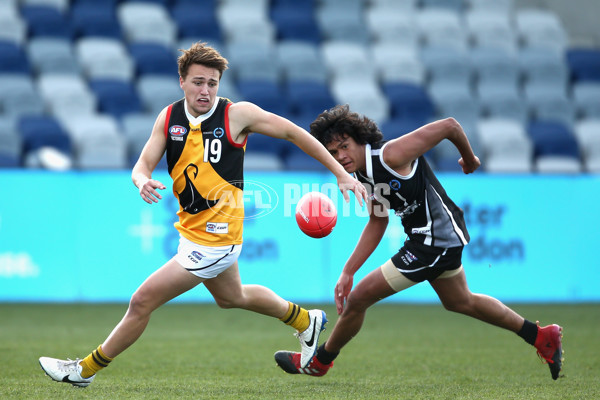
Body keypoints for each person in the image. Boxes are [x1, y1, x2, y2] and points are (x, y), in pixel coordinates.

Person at [38, 43, 367, 388]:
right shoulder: (168, 118)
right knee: (232, 297)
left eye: (212, 83)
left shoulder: (237, 115)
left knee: (141, 301)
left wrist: (340, 173)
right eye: (198, 82)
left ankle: (83, 371)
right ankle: (306, 321)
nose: (205, 91)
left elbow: (293, 133)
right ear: (181, 81)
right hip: (192, 233)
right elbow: (142, 165)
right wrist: (141, 180)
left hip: (217, 239)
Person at [274, 104, 563, 380]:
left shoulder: (391, 155)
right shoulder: (362, 175)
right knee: (461, 301)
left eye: (344, 146)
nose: (341, 156)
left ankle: (320, 361)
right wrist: (348, 270)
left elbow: (450, 126)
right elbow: (378, 221)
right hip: (431, 239)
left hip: (436, 240)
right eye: (333, 152)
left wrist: (469, 158)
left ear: (360, 139)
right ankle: (540, 337)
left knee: (360, 298)